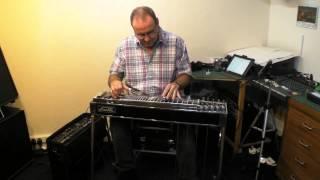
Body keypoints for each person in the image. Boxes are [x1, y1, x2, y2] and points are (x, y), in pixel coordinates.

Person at [108, 6, 197, 180]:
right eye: (141, 35)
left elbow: (187, 74)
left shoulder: (176, 42)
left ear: (157, 23)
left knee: (186, 124)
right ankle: (126, 171)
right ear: (133, 30)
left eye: (150, 32)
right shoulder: (124, 45)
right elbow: (114, 74)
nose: (147, 38)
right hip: (136, 101)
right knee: (116, 119)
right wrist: (115, 82)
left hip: (167, 100)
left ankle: (187, 176)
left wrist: (177, 84)